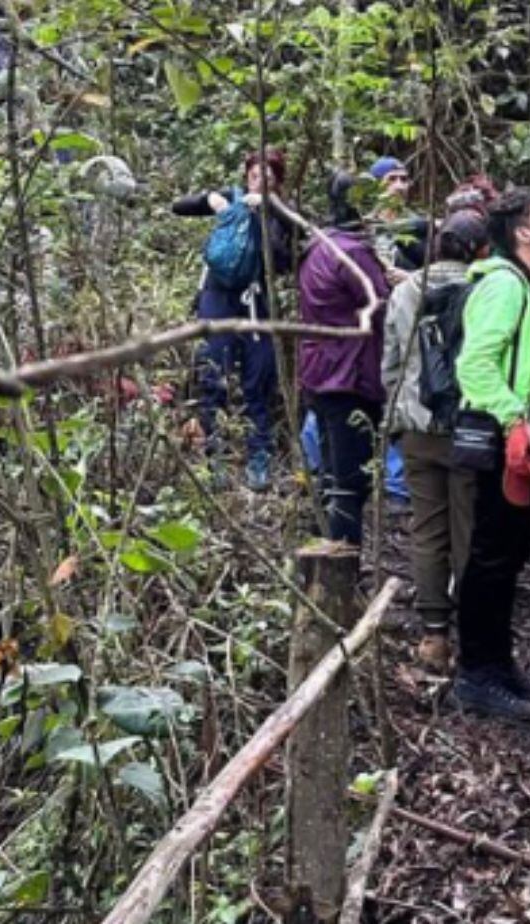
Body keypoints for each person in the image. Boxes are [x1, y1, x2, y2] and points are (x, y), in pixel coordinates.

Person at [450, 187, 530, 722]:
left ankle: (498, 665)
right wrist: (516, 420)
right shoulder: (503, 285)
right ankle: (476, 674)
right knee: (491, 558)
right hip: (505, 440)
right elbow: (474, 366)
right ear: (523, 232)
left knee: (509, 557)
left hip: (525, 440)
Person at [381, 210, 491, 673]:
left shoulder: (406, 290)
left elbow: (391, 359)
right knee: (470, 530)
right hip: (471, 428)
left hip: (418, 427)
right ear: (481, 248)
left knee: (428, 529)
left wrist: (397, 412)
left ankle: (433, 634)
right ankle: (473, 634)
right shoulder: (487, 289)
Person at [172, 148, 294, 490]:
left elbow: (291, 256)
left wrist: (270, 215)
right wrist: (211, 200)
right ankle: (214, 458)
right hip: (217, 297)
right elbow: (179, 206)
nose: (260, 179)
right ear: (247, 174)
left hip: (256, 301)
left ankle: (259, 457)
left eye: (268, 175)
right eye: (255, 173)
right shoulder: (233, 196)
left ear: (277, 180)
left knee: (259, 378)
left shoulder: (283, 212)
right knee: (213, 374)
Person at [297, 171, 394, 545]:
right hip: (348, 373)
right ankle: (341, 561)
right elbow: (379, 306)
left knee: (333, 475)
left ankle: (322, 555)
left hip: (320, 371)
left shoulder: (318, 245)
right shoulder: (352, 252)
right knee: (350, 482)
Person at [368, 156, 430, 274]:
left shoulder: (419, 225)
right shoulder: (363, 222)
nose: (400, 187)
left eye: (404, 180)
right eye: (391, 179)